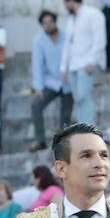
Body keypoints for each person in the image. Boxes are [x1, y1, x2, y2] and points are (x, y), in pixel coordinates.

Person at [29, 10, 73, 152]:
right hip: (50, 82)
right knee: (36, 106)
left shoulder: (67, 35)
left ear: (55, 22)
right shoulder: (39, 40)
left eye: (50, 22)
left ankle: (62, 142)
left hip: (69, 81)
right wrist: (38, 87)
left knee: (65, 114)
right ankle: (40, 140)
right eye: (44, 23)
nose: (48, 25)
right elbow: (37, 64)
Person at [60, 0, 105, 126]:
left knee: (84, 97)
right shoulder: (71, 21)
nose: (65, 6)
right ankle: (82, 127)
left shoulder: (93, 14)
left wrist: (93, 60)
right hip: (73, 65)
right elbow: (67, 44)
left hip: (87, 63)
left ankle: (89, 127)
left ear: (71, 1)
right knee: (78, 99)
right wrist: (63, 67)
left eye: (65, 3)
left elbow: (99, 39)